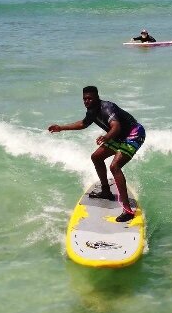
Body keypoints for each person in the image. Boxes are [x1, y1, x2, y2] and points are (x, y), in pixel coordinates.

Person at [47, 86, 146, 223]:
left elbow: (116, 127)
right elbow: (83, 124)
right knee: (96, 157)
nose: (87, 101)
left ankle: (128, 210)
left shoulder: (107, 108)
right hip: (118, 136)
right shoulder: (91, 111)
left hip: (133, 133)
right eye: (84, 99)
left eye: (90, 98)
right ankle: (106, 191)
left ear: (97, 97)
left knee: (115, 166)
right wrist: (61, 128)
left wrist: (106, 137)